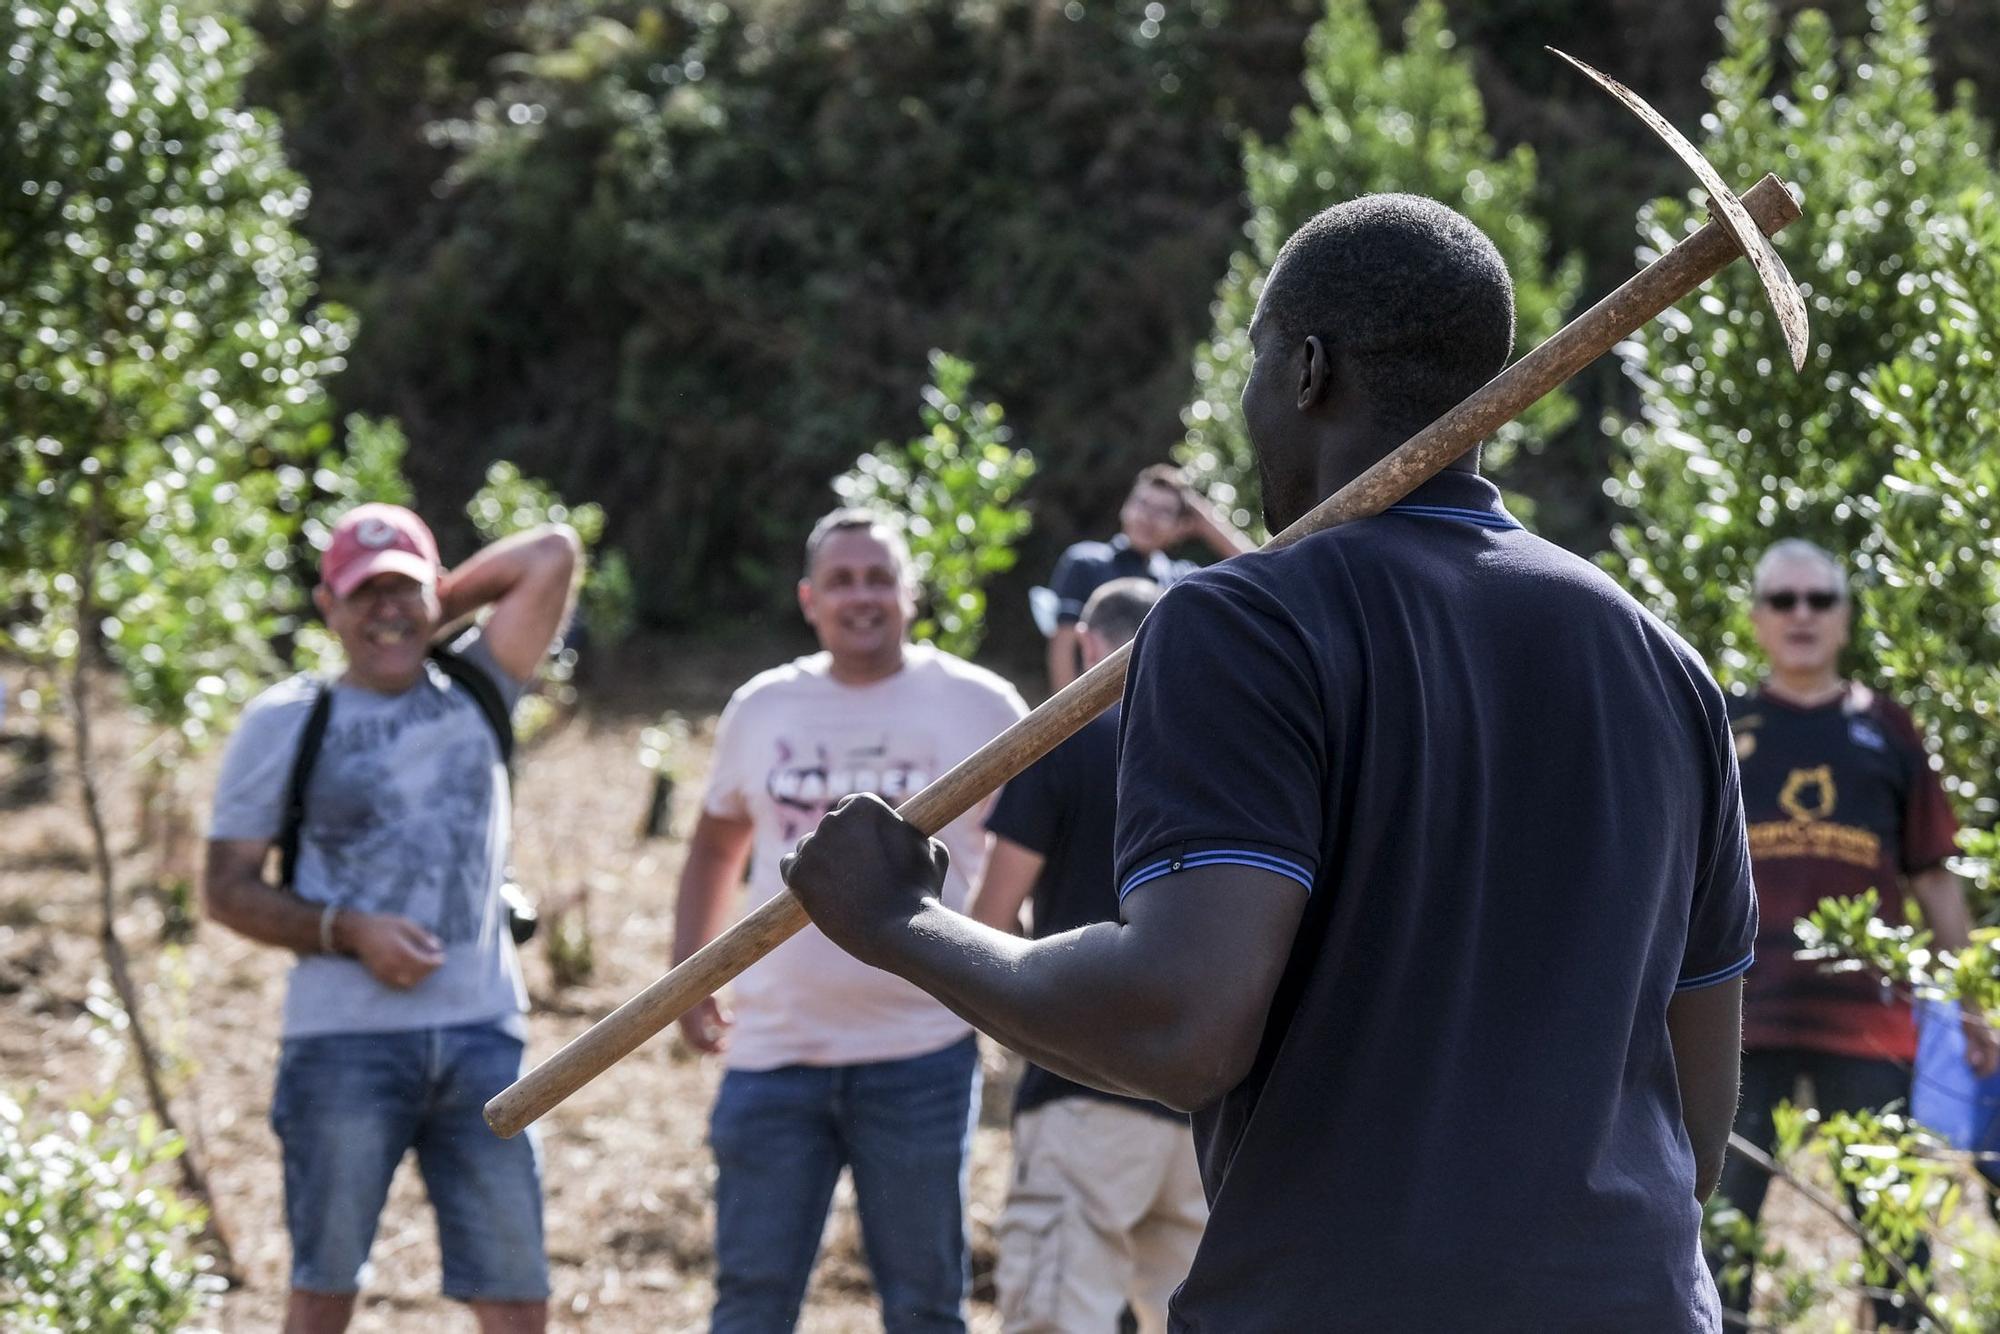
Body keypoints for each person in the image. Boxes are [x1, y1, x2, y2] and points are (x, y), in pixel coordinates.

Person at [780, 194, 1758, 1332]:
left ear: (1305, 368)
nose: (1244, 401)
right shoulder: (1662, 664)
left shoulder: (1241, 624)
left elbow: (1180, 1022)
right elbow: (1695, 1125)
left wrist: (902, 920)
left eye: (1250, 359)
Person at [204, 503, 580, 1334]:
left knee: (517, 1296)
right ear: (325, 607)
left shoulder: (482, 682)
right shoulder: (286, 721)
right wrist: (349, 931)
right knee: (323, 1291)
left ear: (437, 593)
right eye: (362, 594)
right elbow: (225, 889)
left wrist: (420, 610)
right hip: (341, 1043)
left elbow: (551, 552)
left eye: (400, 590)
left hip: (484, 1036)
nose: (386, 608)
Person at [673, 508, 1028, 1334]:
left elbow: (1030, 850)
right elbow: (714, 847)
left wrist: (1019, 985)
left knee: (924, 1306)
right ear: (809, 599)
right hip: (772, 1052)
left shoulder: (981, 705)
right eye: (842, 580)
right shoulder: (762, 708)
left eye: (879, 578)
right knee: (752, 1303)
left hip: (921, 1053)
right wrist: (691, 974)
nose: (861, 596)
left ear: (911, 593)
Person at [1713, 538, 1995, 1328]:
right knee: (1721, 1226)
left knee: (1892, 1225)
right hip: (1737, 1018)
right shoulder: (1723, 723)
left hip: (1869, 1021)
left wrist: (1972, 1005)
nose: (1801, 615)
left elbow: (1934, 878)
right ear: (1758, 618)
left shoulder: (1889, 729)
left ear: (1843, 617)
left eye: (1819, 600)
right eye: (1783, 601)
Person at [968, 577, 1204, 1334]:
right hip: (1211, 1106)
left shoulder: (1064, 743)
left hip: (1086, 1087)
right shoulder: (1228, 747)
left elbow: (992, 921)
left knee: (1059, 1317)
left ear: (1089, 645)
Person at [1042, 465, 1251, 690]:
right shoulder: (1086, 562)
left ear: (1181, 526)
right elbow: (1062, 644)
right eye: (1142, 503)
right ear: (1125, 506)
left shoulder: (1181, 579)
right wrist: (1075, 720)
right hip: (1094, 711)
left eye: (1163, 512)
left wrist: (1207, 521)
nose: (1148, 518)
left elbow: (1256, 571)